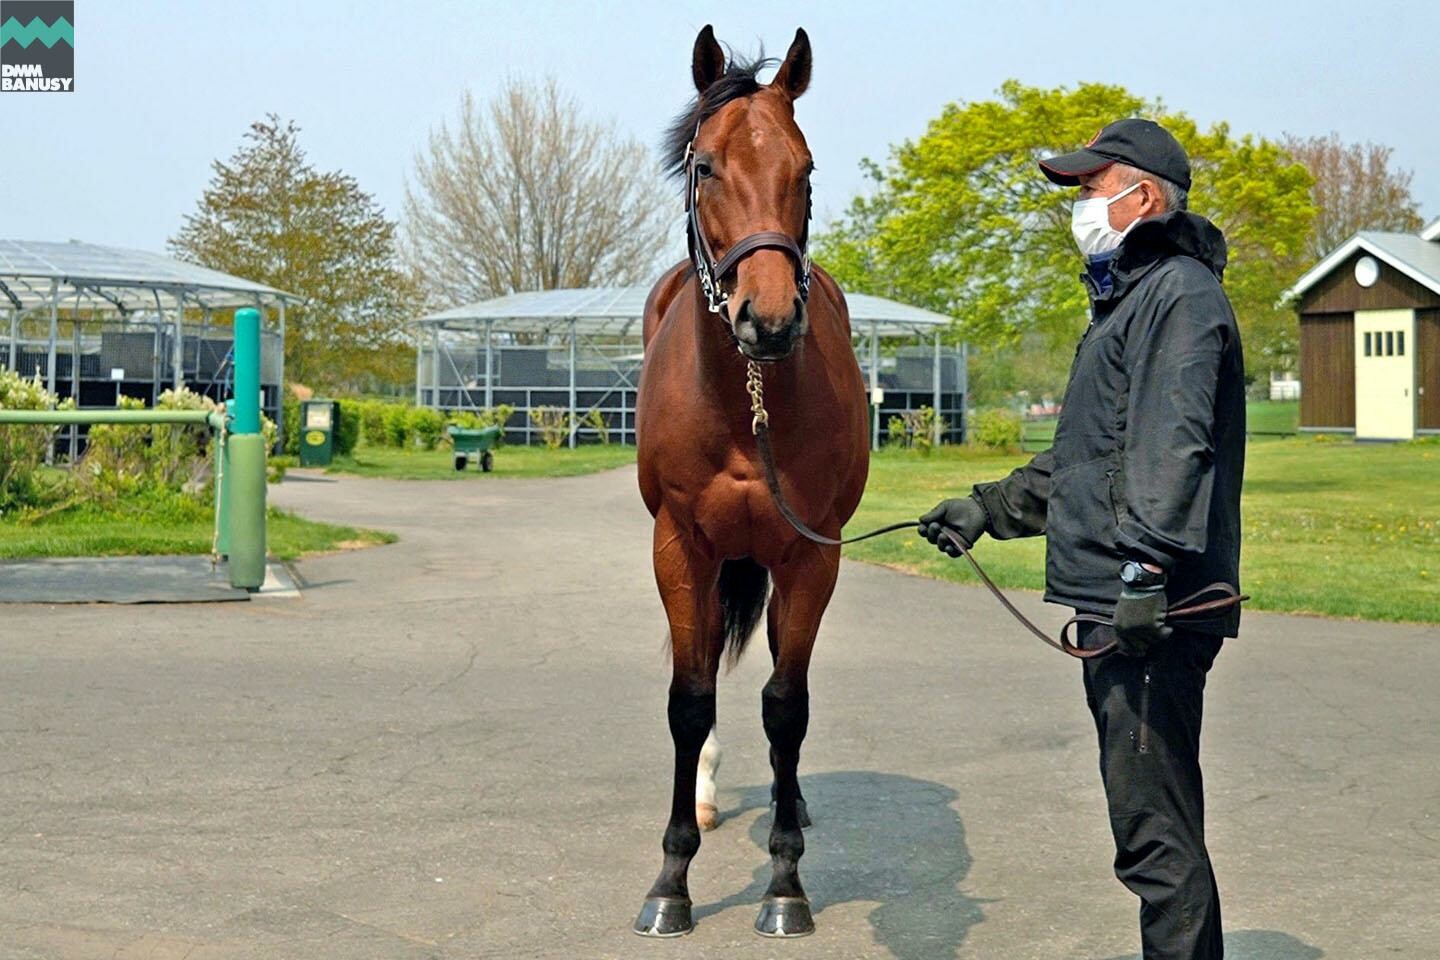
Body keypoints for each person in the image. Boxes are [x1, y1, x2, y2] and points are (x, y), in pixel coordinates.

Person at [919, 118, 1245, 959]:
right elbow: (1090, 454)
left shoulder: (1179, 294)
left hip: (1152, 610)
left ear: (1143, 194)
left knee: (1154, 838)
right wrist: (987, 508)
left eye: (1091, 187)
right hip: (1126, 601)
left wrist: (1144, 571)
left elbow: (1173, 447)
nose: (1081, 202)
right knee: (1151, 826)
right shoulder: (1133, 300)